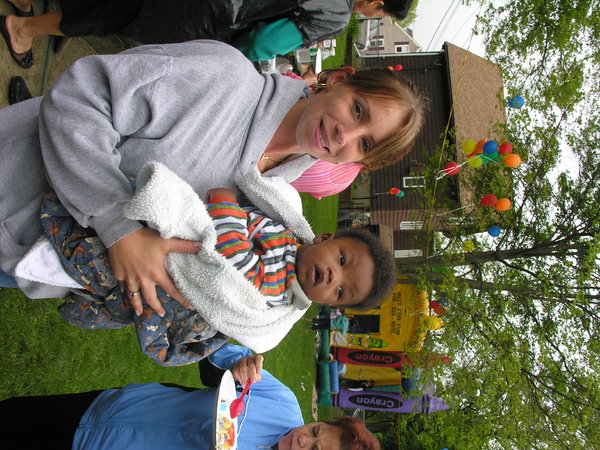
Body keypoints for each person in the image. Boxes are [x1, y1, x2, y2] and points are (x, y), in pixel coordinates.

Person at [0, 40, 428, 318]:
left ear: (360, 162)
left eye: (364, 143)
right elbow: (82, 95)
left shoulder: (273, 198)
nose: (344, 135)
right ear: (337, 80)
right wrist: (117, 224)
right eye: (357, 110)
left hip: (31, 262)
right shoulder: (225, 76)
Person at [27, 167, 395, 365]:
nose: (332, 276)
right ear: (324, 238)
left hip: (188, 264)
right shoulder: (289, 236)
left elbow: (231, 258)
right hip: (165, 244)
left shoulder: (276, 285)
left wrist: (225, 202)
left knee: (81, 255)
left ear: (329, 304)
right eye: (341, 260)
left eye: (341, 291)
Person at [0, 343, 381, 449]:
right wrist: (237, 365)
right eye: (314, 431)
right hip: (109, 410)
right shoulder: (280, 401)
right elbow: (212, 356)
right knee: (13, 418)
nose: (302, 440)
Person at [1, 0, 413, 68]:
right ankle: (24, 28)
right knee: (116, 15)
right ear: (377, 3)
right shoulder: (335, 14)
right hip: (206, 13)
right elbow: (261, 43)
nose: (371, 16)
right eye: (378, 13)